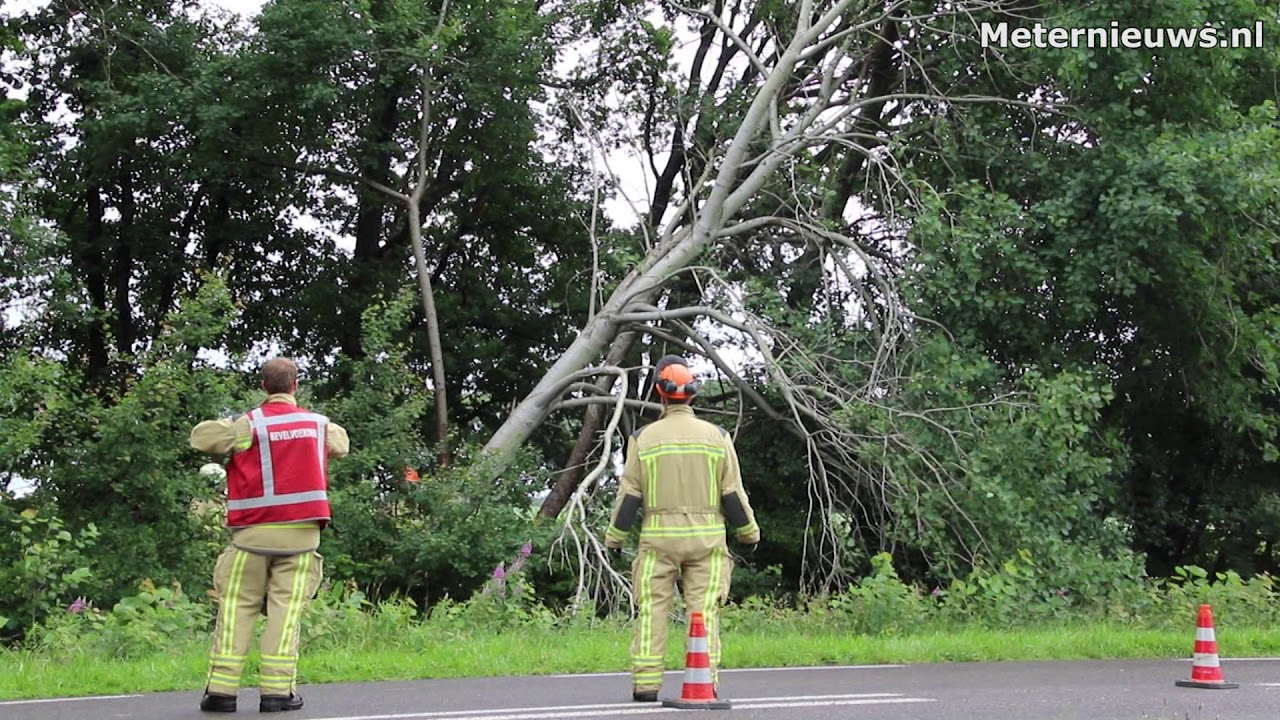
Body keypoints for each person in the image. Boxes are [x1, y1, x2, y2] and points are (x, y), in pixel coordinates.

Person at [189, 357, 349, 713]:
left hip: (252, 537)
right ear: (295, 385)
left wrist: (232, 427)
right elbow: (342, 445)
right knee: (284, 613)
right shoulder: (319, 425)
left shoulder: (250, 425)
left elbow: (201, 438)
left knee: (236, 609)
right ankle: (277, 694)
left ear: (263, 386)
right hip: (301, 540)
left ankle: (221, 692)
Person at [604, 355, 761, 702]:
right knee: (703, 611)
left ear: (660, 393)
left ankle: (645, 684)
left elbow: (629, 496)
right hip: (706, 542)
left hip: (658, 542)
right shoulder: (717, 436)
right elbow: (732, 494)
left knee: (652, 610)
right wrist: (749, 534)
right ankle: (705, 680)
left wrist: (613, 539)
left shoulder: (643, 438)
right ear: (692, 395)